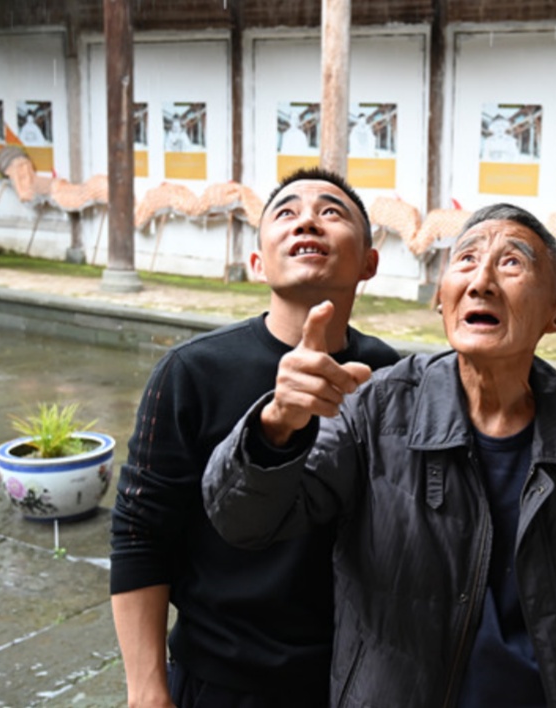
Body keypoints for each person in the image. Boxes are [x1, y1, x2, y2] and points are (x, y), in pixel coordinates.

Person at [202, 203, 556, 707]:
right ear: (441, 301)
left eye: (512, 263)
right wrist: (277, 425)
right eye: (465, 260)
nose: (481, 280)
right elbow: (242, 520)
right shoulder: (374, 409)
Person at [110, 167, 402, 708]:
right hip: (224, 680)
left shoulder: (389, 377)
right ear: (257, 262)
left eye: (332, 212)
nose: (308, 220)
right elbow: (141, 531)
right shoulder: (192, 372)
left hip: (356, 679)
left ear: (369, 262)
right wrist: (147, 691)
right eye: (286, 213)